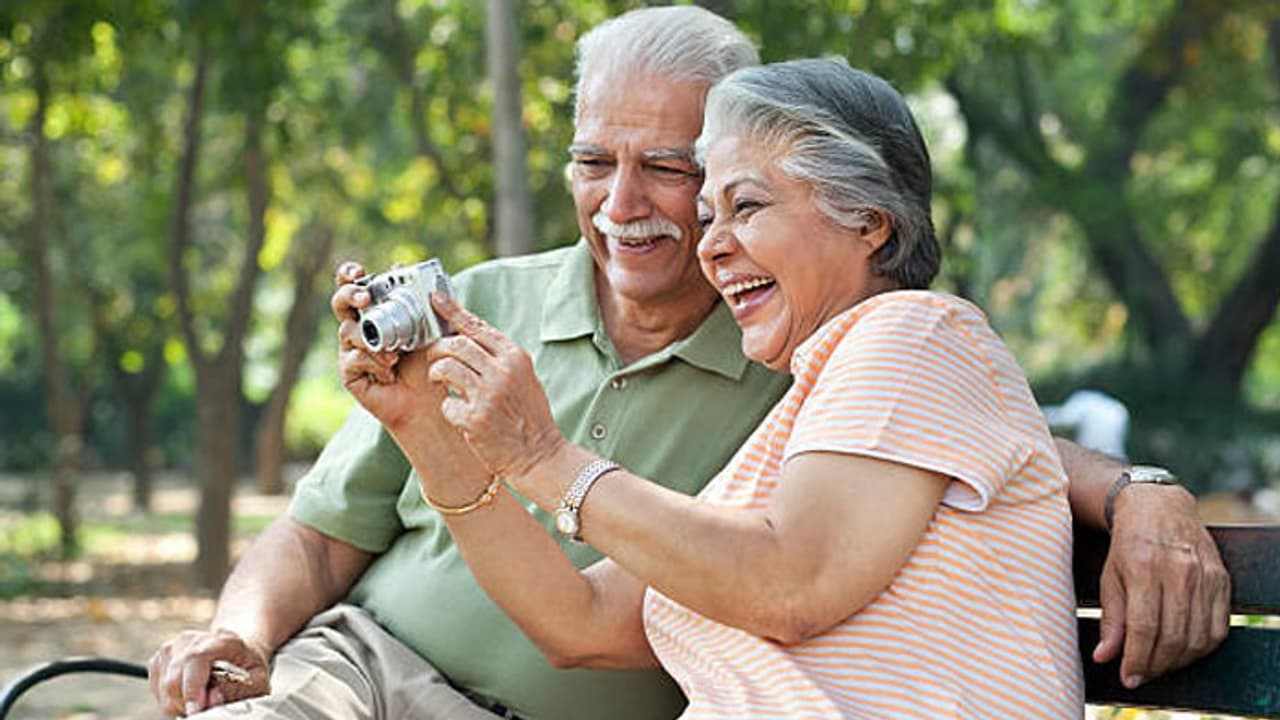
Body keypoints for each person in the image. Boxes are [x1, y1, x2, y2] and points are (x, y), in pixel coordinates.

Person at [147, 7, 1228, 719]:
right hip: (366, 671)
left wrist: (1140, 488)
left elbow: (810, 562)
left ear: (869, 223)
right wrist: (448, 442)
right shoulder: (804, 387)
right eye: (593, 162)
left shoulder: (878, 349)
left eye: (709, 189)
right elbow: (579, 624)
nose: (644, 214)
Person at [364, 55, 1080, 718]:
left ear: (869, 221)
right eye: (708, 215)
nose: (711, 244)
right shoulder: (803, 421)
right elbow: (578, 623)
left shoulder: (914, 335)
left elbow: (791, 584)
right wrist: (427, 430)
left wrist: (543, 457)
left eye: (747, 207)